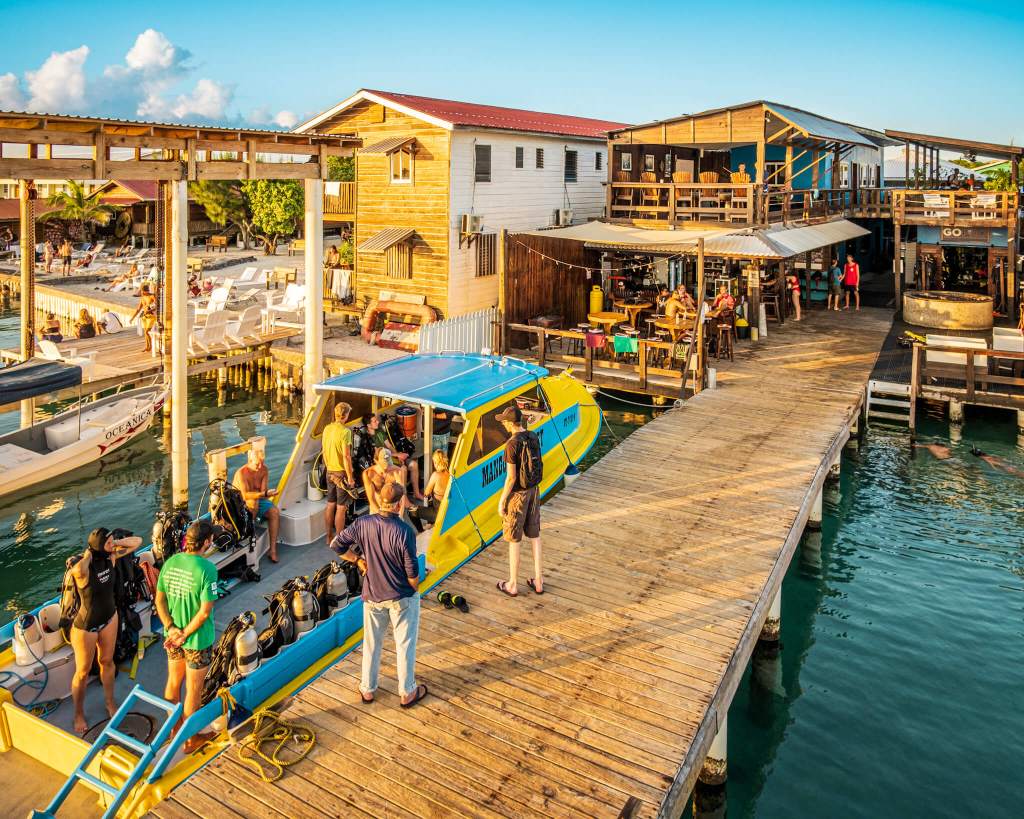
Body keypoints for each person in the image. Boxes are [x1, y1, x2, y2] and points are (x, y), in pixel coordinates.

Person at [330, 481, 426, 708]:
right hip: (400, 595)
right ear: (398, 504)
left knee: (372, 643)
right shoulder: (404, 531)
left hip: (372, 594)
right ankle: (407, 692)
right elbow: (412, 571)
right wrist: (415, 588)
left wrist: (358, 560)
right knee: (404, 644)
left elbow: (337, 544)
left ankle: (367, 689)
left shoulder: (363, 523)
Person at [69, 527, 144, 735]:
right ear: (97, 546)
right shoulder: (84, 567)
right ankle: (78, 713)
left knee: (107, 662)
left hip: (110, 617)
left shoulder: (110, 558)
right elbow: (76, 571)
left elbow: (137, 541)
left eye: (113, 541)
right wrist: (88, 554)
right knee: (82, 673)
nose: (114, 544)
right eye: (109, 541)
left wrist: (113, 544)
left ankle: (110, 703)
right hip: (86, 626)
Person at [156, 520, 219, 754]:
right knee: (193, 690)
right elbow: (204, 613)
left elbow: (159, 601)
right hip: (196, 640)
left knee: (173, 684)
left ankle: (175, 729)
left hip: (172, 637)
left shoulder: (171, 562)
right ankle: (191, 740)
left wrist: (171, 628)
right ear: (206, 542)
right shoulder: (207, 569)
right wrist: (184, 634)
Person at [495, 405, 544, 596]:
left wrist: (502, 501)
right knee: (534, 535)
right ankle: (538, 580)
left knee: (514, 539)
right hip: (534, 490)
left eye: (504, 422)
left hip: (518, 495)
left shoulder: (511, 444)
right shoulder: (533, 436)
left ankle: (512, 584)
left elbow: (511, 478)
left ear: (509, 423)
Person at [233, 446, 281, 563]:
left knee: (274, 512)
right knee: (252, 502)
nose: (260, 467)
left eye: (262, 463)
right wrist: (263, 493)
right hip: (242, 504)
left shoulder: (264, 470)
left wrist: (269, 493)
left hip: (258, 499)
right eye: (257, 464)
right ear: (249, 461)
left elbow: (263, 493)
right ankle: (250, 531)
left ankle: (272, 550)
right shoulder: (241, 473)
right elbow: (245, 495)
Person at [321, 402, 355, 543]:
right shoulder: (345, 432)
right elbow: (346, 457)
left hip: (329, 472)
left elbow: (323, 451)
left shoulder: (327, 429)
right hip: (341, 473)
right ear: (346, 415)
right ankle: (340, 540)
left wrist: (329, 468)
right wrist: (351, 478)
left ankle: (329, 537)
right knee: (341, 508)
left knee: (330, 504)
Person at [368, 413, 423, 500]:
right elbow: (380, 455)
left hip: (392, 457)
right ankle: (403, 499)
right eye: (375, 421)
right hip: (384, 461)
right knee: (403, 469)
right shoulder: (369, 438)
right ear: (368, 425)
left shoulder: (380, 432)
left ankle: (416, 493)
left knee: (414, 464)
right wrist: (397, 455)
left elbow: (389, 446)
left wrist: (398, 457)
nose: (378, 422)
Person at [363, 447, 408, 515]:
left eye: (389, 463)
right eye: (384, 463)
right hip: (376, 507)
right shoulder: (368, 473)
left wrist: (400, 515)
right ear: (376, 460)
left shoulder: (398, 471)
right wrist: (380, 514)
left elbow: (402, 494)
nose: (387, 467)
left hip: (393, 509)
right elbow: (371, 499)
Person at [412, 450, 450, 528]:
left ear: (436, 463)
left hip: (438, 512)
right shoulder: (451, 473)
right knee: (431, 499)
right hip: (449, 509)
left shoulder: (436, 475)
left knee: (411, 511)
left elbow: (426, 493)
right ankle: (431, 524)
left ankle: (421, 531)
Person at [130, 284, 158, 352]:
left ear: (146, 291)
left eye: (142, 291)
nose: (141, 292)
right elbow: (138, 309)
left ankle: (150, 346)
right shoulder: (142, 298)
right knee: (146, 333)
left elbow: (157, 306)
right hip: (145, 317)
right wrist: (132, 318)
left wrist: (150, 310)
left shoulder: (152, 296)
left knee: (147, 332)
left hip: (151, 316)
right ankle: (147, 346)